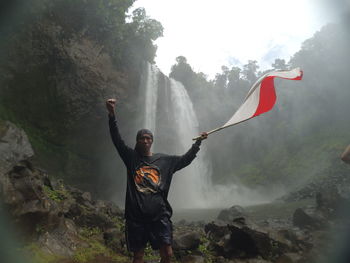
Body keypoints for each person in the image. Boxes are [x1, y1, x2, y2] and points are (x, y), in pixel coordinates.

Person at [106, 98, 207, 263]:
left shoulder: (165, 161)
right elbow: (117, 140)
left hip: (159, 217)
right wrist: (111, 115)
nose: (145, 141)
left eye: (148, 138)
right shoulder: (131, 158)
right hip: (136, 219)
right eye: (142, 138)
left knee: (167, 253)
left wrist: (197, 144)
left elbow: (185, 160)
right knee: (138, 256)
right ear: (137, 141)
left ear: (152, 141)